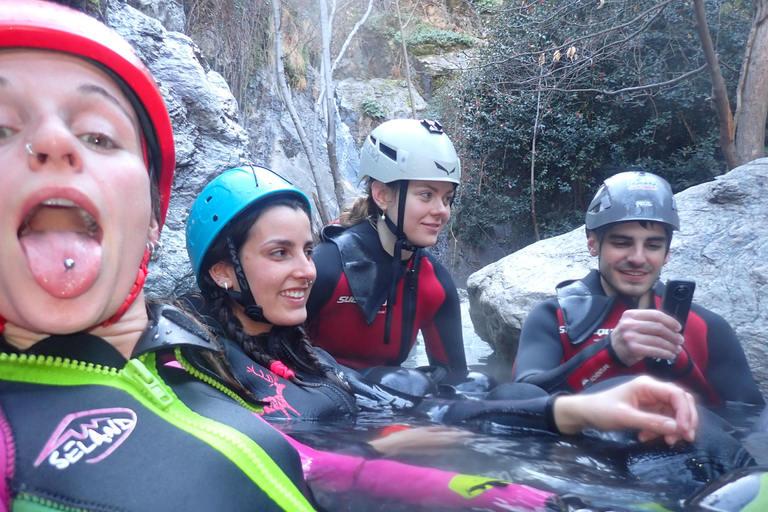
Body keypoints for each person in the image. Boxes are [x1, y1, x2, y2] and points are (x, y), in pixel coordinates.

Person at [0, 3, 317, 511]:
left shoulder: (187, 358)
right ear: (222, 272)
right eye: (1, 129)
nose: (54, 140)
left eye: (99, 136)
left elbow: (303, 461)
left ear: (152, 220)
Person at [184, 165, 700, 444]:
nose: (306, 268)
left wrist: (572, 410)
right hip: (336, 449)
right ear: (224, 271)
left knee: (435, 386)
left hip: (364, 413)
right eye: (281, 253)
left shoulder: (306, 358)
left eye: (305, 249)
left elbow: (433, 394)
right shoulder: (185, 354)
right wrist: (374, 450)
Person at [512, 171, 765, 407]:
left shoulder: (707, 327)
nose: (637, 258)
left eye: (653, 246)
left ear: (667, 253)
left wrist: (679, 364)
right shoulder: (551, 317)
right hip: (579, 452)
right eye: (622, 243)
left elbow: (748, 420)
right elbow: (519, 402)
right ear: (593, 245)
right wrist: (610, 352)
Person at [305, 118, 467, 371]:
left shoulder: (436, 283)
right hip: (314, 396)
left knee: (482, 384)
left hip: (383, 403)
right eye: (426, 195)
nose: (441, 211)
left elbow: (456, 380)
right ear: (381, 195)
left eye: (447, 198)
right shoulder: (325, 266)